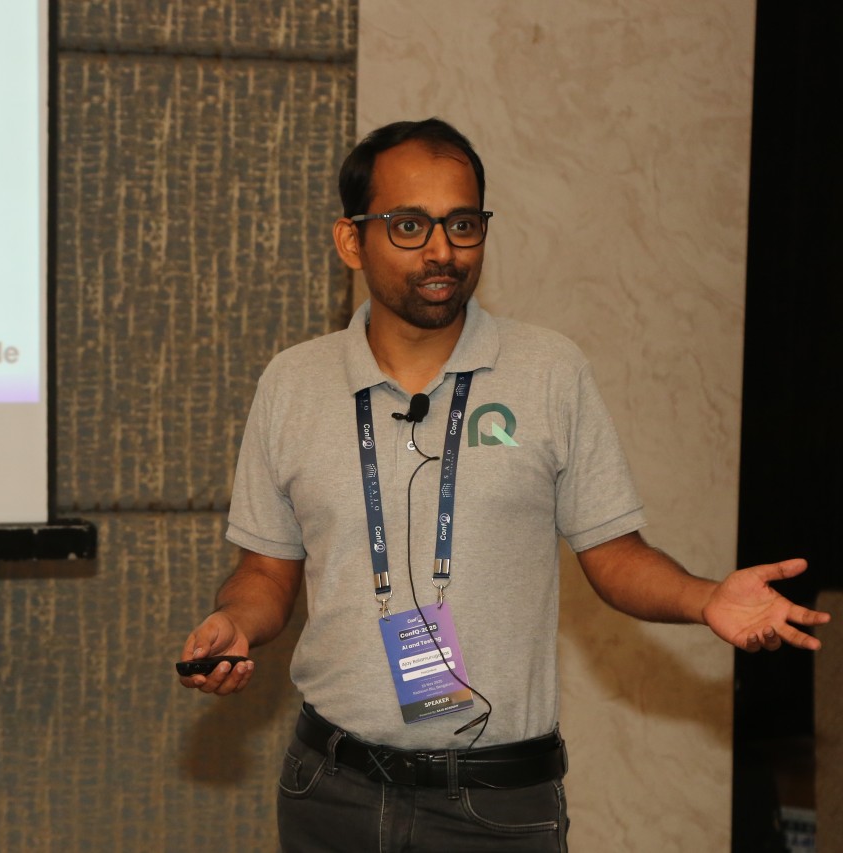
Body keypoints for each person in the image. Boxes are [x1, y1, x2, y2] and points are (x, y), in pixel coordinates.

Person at [177, 118, 831, 852]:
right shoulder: (292, 383)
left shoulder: (549, 371)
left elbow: (616, 555)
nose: (442, 250)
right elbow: (267, 572)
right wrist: (235, 620)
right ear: (351, 240)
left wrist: (705, 598)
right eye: (409, 226)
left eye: (462, 224)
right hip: (331, 791)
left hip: (497, 806)